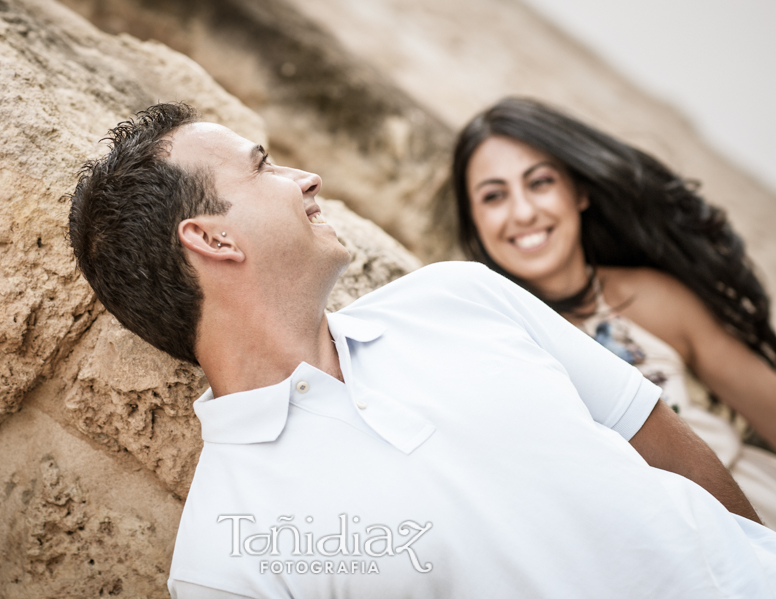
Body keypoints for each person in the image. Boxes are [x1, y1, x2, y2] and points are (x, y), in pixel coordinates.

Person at [69, 102, 776, 599]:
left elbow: (664, 442)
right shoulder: (227, 559)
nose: (304, 178)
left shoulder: (461, 295)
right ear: (213, 239)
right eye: (264, 169)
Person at [452, 96, 776, 528]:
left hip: (756, 509)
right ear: (474, 220)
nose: (524, 212)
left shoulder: (651, 298)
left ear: (579, 191)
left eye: (540, 182)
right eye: (494, 196)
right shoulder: (490, 336)